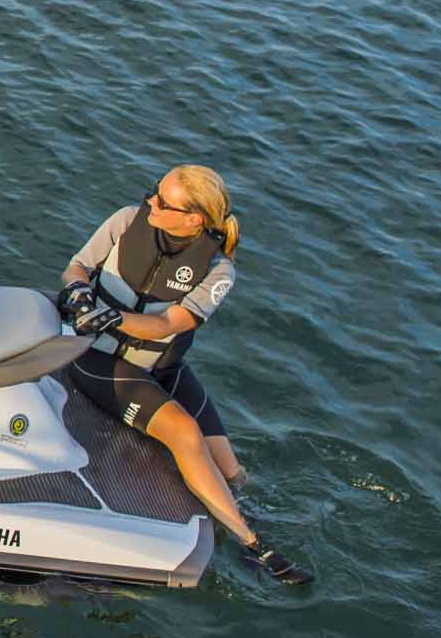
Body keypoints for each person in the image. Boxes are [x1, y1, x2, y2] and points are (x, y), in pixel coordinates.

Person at [56, 166, 312, 585]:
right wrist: (81, 294)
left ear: (194, 218)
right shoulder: (127, 220)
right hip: (99, 359)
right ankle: (252, 545)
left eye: (162, 201)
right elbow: (76, 267)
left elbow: (166, 325)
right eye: (153, 193)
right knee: (185, 433)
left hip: (163, 367)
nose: (150, 203)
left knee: (232, 470)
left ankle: (236, 513)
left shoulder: (219, 271)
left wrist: (111, 317)